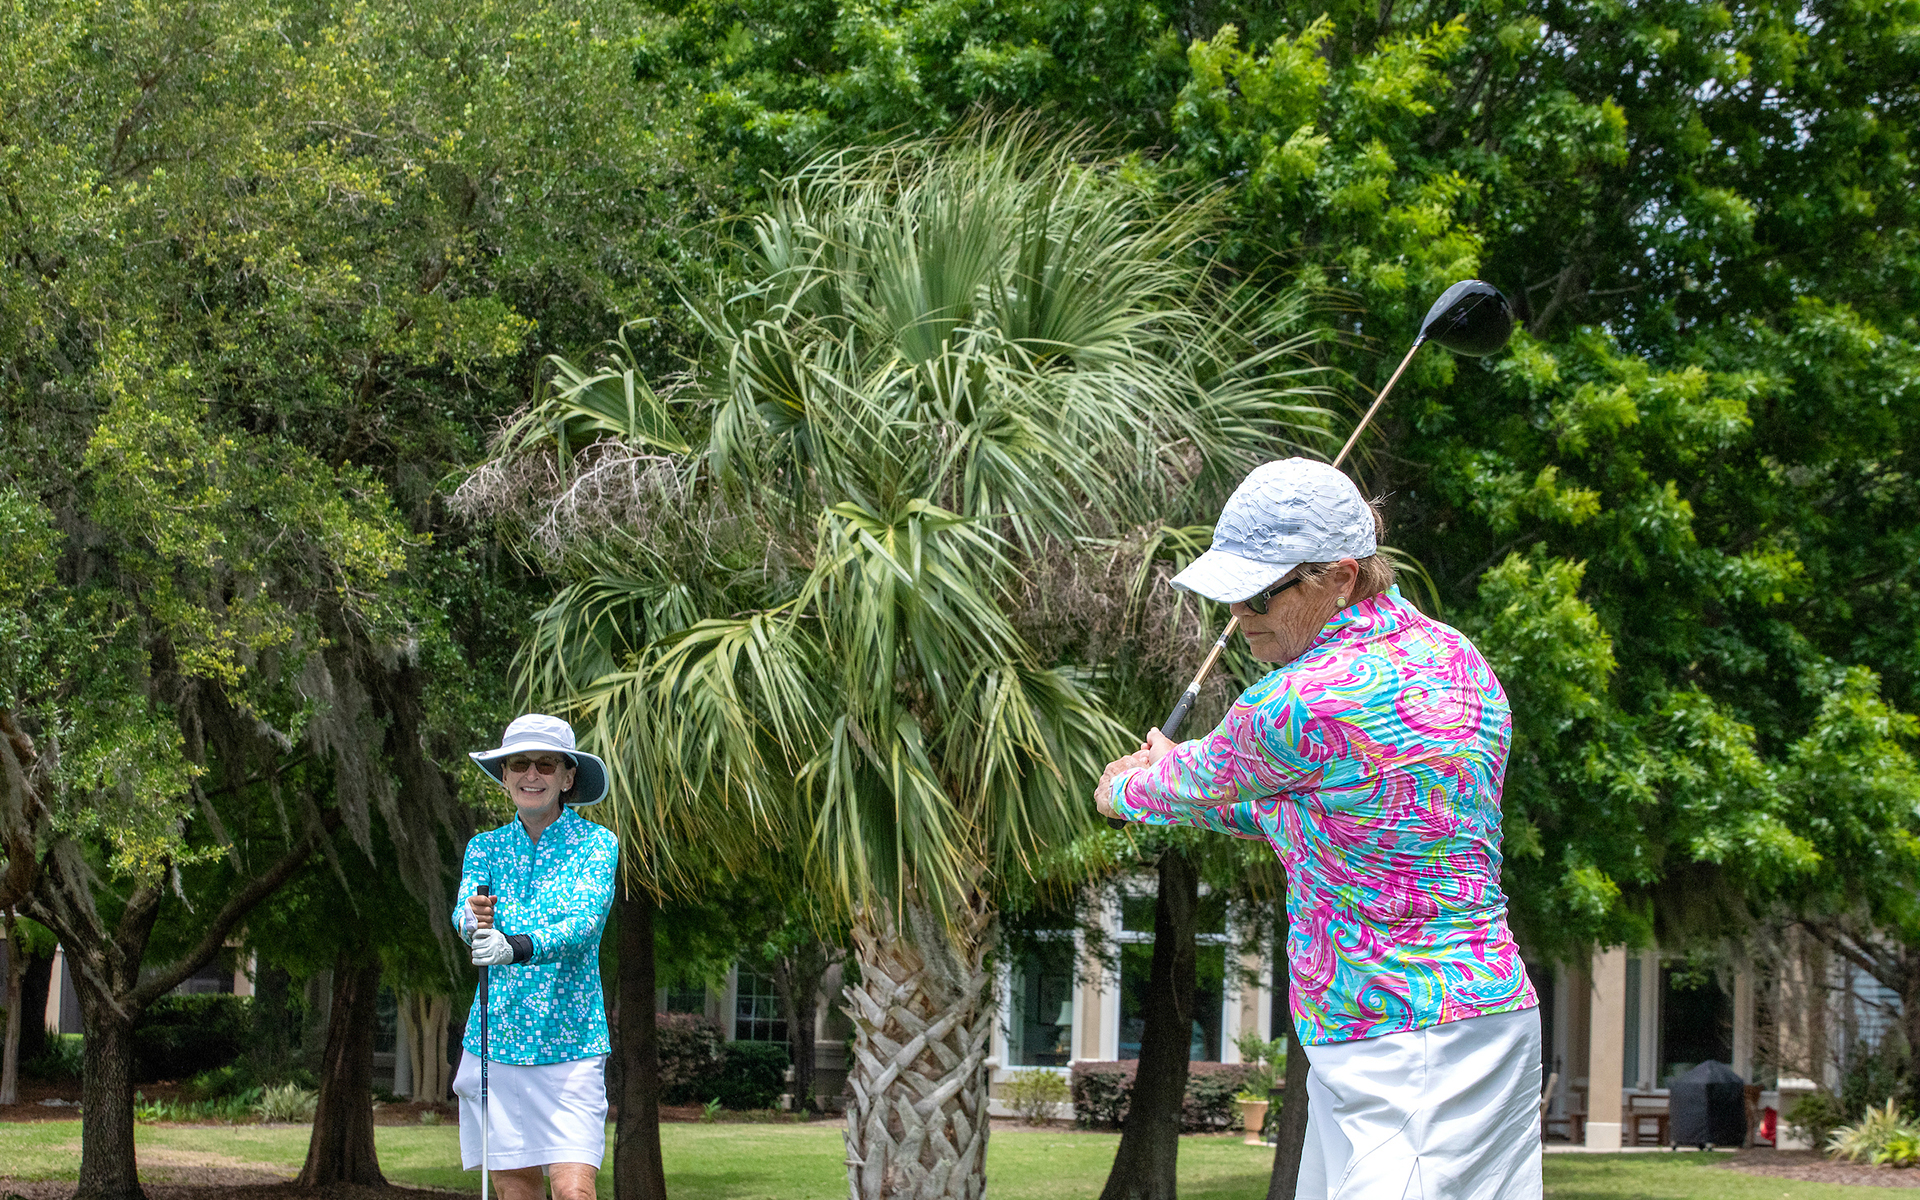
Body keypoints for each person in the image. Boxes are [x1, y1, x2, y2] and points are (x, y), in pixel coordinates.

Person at [1095, 458, 1540, 1199]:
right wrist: (1181, 774)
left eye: (1260, 592)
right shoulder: (1458, 657)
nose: (1241, 613)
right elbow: (1300, 810)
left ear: (1340, 576)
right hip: (1464, 1017)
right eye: (1232, 593)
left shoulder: (1295, 703)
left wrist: (1125, 784)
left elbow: (1164, 788)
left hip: (1404, 1039)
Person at [453, 713, 619, 1200]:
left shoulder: (596, 845)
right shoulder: (484, 847)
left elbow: (583, 925)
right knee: (516, 1194)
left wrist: (515, 946)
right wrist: (473, 924)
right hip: (497, 1040)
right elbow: (465, 910)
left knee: (573, 1191)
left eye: (545, 764)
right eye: (519, 764)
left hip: (572, 1046)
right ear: (504, 777)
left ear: (567, 778)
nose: (531, 774)